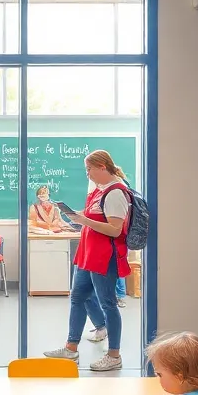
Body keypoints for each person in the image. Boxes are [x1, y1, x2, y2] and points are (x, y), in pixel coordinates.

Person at [44, 149, 130, 371]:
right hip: (87, 254)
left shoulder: (116, 193)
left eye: (89, 169)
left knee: (108, 303)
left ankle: (114, 355)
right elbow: (93, 218)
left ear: (102, 167)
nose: (87, 174)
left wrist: (84, 220)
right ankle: (70, 348)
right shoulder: (98, 191)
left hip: (103, 257)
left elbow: (114, 229)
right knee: (78, 297)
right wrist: (76, 218)